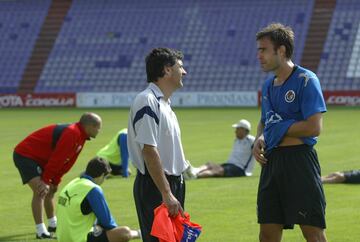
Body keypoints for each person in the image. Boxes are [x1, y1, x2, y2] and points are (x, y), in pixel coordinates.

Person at [253, 23, 327, 242]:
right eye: (258, 50)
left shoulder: (306, 80)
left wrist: (278, 128)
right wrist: (259, 138)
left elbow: (314, 127)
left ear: (281, 50)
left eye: (264, 49)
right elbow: (265, 121)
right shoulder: (268, 85)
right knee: (267, 234)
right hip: (271, 163)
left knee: (313, 233)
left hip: (299, 163)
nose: (259, 55)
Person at [127, 47, 188, 242]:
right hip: (157, 186)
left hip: (171, 184)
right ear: (167, 70)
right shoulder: (147, 101)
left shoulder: (165, 104)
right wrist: (166, 192)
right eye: (180, 66)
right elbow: (149, 150)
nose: (184, 72)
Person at [13, 112, 102, 239]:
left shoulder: (81, 137)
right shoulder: (72, 133)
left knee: (51, 191)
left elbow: (68, 161)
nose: (99, 130)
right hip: (26, 155)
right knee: (40, 191)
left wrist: (55, 180)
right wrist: (45, 180)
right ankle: (40, 231)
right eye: (98, 127)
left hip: (42, 159)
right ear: (89, 126)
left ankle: (53, 224)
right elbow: (57, 159)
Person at [56, 157, 140, 242]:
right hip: (79, 239)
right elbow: (108, 223)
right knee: (124, 232)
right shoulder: (92, 189)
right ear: (102, 175)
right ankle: (138, 233)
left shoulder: (72, 183)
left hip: (62, 238)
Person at [185, 119, 255, 179]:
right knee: (210, 164)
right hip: (230, 164)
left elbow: (259, 150)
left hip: (240, 169)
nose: (235, 131)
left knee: (218, 170)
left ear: (243, 130)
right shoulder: (236, 140)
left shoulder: (251, 140)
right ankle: (194, 171)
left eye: (237, 129)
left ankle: (195, 176)